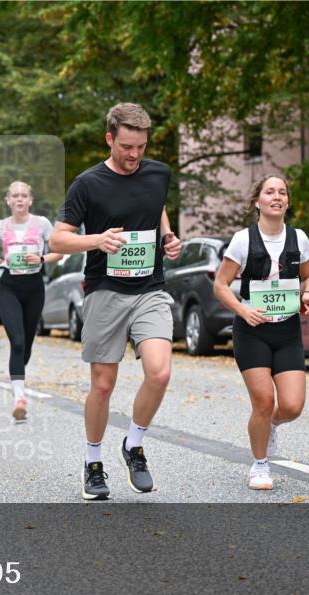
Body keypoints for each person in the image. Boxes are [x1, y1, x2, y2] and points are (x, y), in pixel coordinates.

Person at [50, 103, 183, 501]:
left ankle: (134, 445)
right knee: (103, 385)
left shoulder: (158, 173)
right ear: (109, 138)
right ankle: (93, 463)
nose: (134, 155)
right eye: (126, 146)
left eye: (141, 146)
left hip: (150, 289)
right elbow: (58, 239)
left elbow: (156, 207)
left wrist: (168, 238)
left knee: (159, 373)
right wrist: (97, 240)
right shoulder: (88, 184)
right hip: (105, 290)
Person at [213, 175, 309, 491]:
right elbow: (220, 285)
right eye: (269, 191)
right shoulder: (243, 240)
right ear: (257, 201)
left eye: (282, 192)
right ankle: (259, 466)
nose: (277, 196)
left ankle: (270, 424)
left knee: (292, 406)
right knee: (262, 400)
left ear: (287, 201)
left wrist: (308, 295)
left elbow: (308, 277)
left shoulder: (299, 239)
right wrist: (243, 310)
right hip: (252, 330)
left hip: (286, 330)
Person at [0, 182, 63, 421]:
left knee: (26, 345)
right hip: (9, 286)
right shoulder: (1, 226)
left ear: (30, 200)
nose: (19, 199)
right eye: (15, 196)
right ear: (8, 200)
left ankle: (18, 376)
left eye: (23, 196)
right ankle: (19, 398)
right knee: (17, 342)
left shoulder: (42, 224)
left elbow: (59, 252)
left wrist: (40, 257)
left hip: (34, 287)